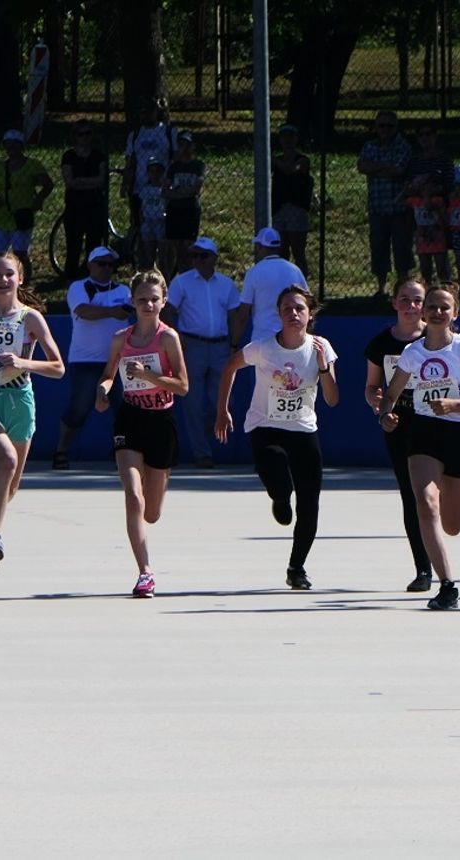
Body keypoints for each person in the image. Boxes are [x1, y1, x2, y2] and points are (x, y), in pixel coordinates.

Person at [376, 285, 460, 610]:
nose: (437, 312)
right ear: (423, 311)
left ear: (455, 313)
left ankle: (450, 485)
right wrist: (385, 415)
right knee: (426, 504)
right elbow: (391, 394)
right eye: (432, 306)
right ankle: (446, 585)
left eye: (445, 307)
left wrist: (456, 405)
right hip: (422, 432)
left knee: (452, 526)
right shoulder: (412, 353)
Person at [215, 286, 338, 590]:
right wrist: (222, 410)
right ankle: (280, 497)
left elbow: (332, 399)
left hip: (303, 429)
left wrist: (323, 367)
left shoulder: (321, 347)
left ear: (310, 314)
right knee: (278, 470)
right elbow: (230, 366)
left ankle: (297, 568)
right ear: (279, 314)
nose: (293, 314)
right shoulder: (263, 348)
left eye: (299, 308)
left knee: (310, 503)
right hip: (265, 427)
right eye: (287, 309)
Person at [94, 270, 188, 598]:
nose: (148, 304)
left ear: (164, 301)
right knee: (133, 496)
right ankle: (145, 572)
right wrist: (103, 391)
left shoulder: (168, 338)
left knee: (151, 512)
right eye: (142, 299)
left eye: (154, 299)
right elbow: (108, 374)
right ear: (132, 302)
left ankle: (158, 482)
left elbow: (183, 386)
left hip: (161, 421)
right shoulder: (121, 339)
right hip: (130, 418)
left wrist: (149, 376)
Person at [0, 252, 65, 568]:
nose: (3, 279)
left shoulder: (30, 318)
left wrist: (24, 363)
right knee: (6, 459)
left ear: (20, 278)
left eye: (9, 273)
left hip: (20, 401)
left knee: (11, 485)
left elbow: (58, 367)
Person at [362, 278, 434, 591]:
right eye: (404, 299)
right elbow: (371, 387)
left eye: (417, 300)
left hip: (439, 425)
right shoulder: (381, 344)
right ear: (393, 303)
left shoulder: (439, 337)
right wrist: (379, 406)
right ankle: (423, 569)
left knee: (438, 501)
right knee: (413, 496)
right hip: (399, 426)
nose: (411, 306)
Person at [162, 237, 241, 468]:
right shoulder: (182, 282)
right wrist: (176, 336)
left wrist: (234, 344)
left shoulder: (226, 284)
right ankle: (202, 453)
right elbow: (167, 310)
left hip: (220, 346)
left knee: (225, 402)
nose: (198, 260)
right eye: (194, 255)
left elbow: (235, 315)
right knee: (193, 403)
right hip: (192, 345)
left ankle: (202, 438)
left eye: (203, 255)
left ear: (214, 258)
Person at [53, 248, 131, 469]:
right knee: (78, 409)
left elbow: (131, 310)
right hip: (85, 360)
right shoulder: (79, 287)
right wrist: (113, 311)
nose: (106, 268)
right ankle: (61, 450)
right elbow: (83, 311)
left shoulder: (124, 290)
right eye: (101, 263)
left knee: (124, 410)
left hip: (118, 360)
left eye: (110, 264)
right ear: (90, 265)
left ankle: (122, 453)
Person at [357, 111, 414, 296]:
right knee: (378, 247)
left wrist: (375, 168)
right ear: (376, 127)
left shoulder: (403, 146)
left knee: (402, 247)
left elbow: (399, 169)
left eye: (390, 126)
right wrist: (385, 167)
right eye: (381, 125)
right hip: (377, 206)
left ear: (396, 127)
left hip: (399, 207)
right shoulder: (369, 146)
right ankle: (381, 288)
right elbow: (361, 166)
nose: (385, 129)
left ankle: (403, 287)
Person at [0, 130, 54, 278]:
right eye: (8, 145)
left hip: (22, 216)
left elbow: (48, 184)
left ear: (21, 146)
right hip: (1, 217)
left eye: (15, 145)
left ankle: (25, 282)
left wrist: (39, 199)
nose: (11, 148)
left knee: (21, 254)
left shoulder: (32, 165)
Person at [122, 97, 180, 239]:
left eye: (149, 111)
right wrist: (126, 183)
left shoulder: (168, 132)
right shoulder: (135, 135)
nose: (145, 115)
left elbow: (176, 159)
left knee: (165, 228)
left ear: (156, 112)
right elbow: (130, 163)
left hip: (163, 189)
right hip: (140, 188)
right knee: (139, 224)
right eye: (142, 112)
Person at [238, 227, 308, 343]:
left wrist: (234, 343)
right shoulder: (294, 270)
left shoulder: (254, 272)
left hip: (262, 340)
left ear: (260, 247)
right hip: (290, 339)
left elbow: (243, 313)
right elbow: (307, 304)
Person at [59, 121, 109, 280]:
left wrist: (80, 181)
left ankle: (92, 275)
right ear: (75, 136)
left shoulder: (99, 156)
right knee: (73, 244)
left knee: (94, 244)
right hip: (74, 206)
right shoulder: (69, 156)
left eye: (88, 133)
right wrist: (91, 181)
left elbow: (102, 180)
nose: (85, 137)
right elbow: (69, 181)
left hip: (95, 204)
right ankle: (70, 277)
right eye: (81, 134)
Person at [271, 123, 314, 276]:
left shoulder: (302, 160)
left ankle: (302, 282)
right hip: (279, 208)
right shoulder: (276, 160)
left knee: (298, 250)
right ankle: (283, 281)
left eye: (291, 136)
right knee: (281, 250)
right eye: (284, 136)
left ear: (296, 139)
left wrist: (272, 159)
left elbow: (291, 170)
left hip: (296, 208)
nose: (287, 140)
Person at [163, 131, 205, 275]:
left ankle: (189, 273)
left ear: (193, 146)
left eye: (187, 145)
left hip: (190, 209)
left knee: (188, 245)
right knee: (176, 245)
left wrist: (177, 193)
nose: (184, 148)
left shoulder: (198, 165)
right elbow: (165, 190)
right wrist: (183, 194)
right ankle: (178, 274)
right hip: (175, 209)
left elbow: (196, 189)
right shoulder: (174, 167)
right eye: (181, 145)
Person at [408, 175, 450, 283]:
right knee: (425, 266)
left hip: (437, 235)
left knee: (441, 265)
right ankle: (427, 286)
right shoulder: (415, 201)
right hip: (422, 235)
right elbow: (398, 201)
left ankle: (444, 285)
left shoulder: (438, 201)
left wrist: (433, 206)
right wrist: (408, 189)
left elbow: (444, 218)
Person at [136, 159, 168, 269]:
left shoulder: (164, 189)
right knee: (149, 253)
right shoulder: (145, 189)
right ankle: (150, 270)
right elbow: (142, 207)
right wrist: (141, 219)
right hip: (148, 221)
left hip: (161, 221)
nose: (155, 174)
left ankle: (163, 273)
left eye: (158, 171)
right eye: (152, 171)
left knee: (163, 255)